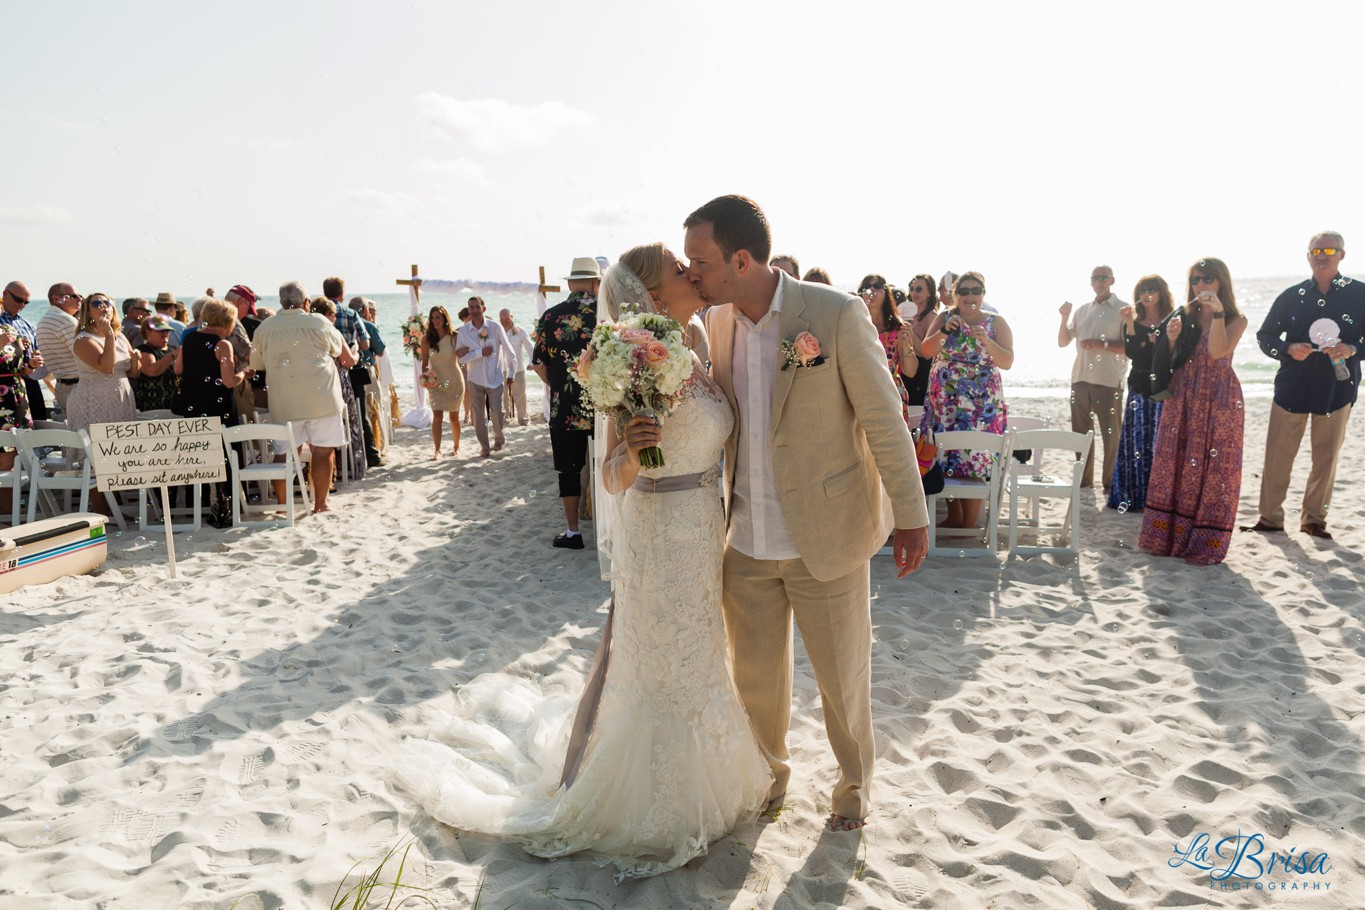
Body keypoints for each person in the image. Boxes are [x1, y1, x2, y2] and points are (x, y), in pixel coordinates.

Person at [397, 242, 773, 880]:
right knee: (657, 662)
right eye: (680, 271)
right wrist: (632, 448)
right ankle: (647, 799)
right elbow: (614, 476)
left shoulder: (699, 343)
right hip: (657, 535)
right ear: (652, 295)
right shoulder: (626, 357)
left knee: (699, 650)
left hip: (702, 530)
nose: (692, 273)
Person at [688, 195, 929, 832]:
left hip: (827, 535)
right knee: (756, 685)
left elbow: (883, 418)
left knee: (843, 683)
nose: (694, 274)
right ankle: (769, 779)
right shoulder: (715, 325)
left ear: (740, 260)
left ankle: (853, 789)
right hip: (745, 541)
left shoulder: (835, 313)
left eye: (702, 262)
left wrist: (912, 514)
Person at [1243, 232, 1365, 540]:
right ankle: (1270, 519)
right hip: (1291, 388)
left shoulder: (1360, 294)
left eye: (1329, 249)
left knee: (1325, 460)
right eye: (1316, 250)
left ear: (1342, 254)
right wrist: (1286, 349)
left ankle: (1314, 520)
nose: (1322, 255)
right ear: (1308, 256)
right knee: (1277, 457)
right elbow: (1265, 336)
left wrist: (1351, 349)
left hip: (1337, 390)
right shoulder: (1291, 296)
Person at [1139, 258, 1247, 565]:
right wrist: (1171, 339)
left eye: (1208, 278)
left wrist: (1216, 313)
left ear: (1221, 281)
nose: (1201, 284)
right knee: (1175, 463)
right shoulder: (1182, 315)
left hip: (1219, 398)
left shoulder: (1236, 319)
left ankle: (1204, 540)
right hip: (1183, 394)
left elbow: (1216, 352)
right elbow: (1170, 358)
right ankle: (1168, 537)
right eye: (1195, 279)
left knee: (1215, 473)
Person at [249, 282, 356, 514]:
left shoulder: (265, 328)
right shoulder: (320, 323)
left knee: (284, 454)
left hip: (284, 401)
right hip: (322, 398)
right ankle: (320, 504)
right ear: (306, 303)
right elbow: (341, 353)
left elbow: (256, 365)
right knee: (322, 451)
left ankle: (283, 507)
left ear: (280, 303)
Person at [918, 272, 1014, 529]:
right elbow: (926, 351)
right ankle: (955, 518)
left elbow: (1007, 362)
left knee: (975, 455)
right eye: (964, 291)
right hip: (944, 400)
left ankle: (969, 522)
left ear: (983, 293)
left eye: (976, 290)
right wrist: (943, 332)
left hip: (981, 404)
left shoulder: (997, 323)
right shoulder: (944, 317)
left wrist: (986, 340)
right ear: (955, 294)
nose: (970, 296)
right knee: (947, 454)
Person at [531, 258, 599, 548]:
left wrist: (559, 387)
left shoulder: (550, 316)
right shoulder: (608, 315)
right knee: (608, 465)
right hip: (604, 406)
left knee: (569, 470)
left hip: (565, 406)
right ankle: (613, 531)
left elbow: (538, 364)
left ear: (570, 284)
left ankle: (573, 533)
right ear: (597, 283)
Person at [174, 300, 245, 526]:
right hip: (218, 406)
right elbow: (228, 381)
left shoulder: (189, 339)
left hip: (194, 405)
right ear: (226, 321)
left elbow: (177, 369)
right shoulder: (222, 345)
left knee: (201, 454)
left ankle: (205, 503)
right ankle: (225, 506)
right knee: (225, 454)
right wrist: (244, 374)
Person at [1107, 275, 1173, 512]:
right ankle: (1134, 496)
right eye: (1143, 290)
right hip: (1139, 386)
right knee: (1137, 441)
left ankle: (1157, 498)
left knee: (1159, 442)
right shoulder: (1132, 320)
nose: (1147, 294)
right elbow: (1134, 354)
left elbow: (1175, 355)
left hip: (1164, 387)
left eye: (1152, 289)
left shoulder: (1172, 319)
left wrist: (1162, 343)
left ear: (1161, 293)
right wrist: (1132, 324)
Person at [1058, 266, 1128, 490]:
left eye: (1103, 278)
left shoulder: (1124, 309)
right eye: (1095, 278)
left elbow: (1130, 348)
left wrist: (1102, 344)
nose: (1099, 282)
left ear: (1112, 280)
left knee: (1111, 436)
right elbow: (1062, 341)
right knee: (1080, 435)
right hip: (1080, 380)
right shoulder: (1082, 310)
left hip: (1109, 382)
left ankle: (1110, 483)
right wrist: (1064, 317)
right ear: (1091, 282)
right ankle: (1084, 481)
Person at [310, 298, 366, 482]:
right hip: (338, 385)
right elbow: (348, 361)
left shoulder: (308, 335)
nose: (335, 317)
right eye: (333, 314)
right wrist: (356, 352)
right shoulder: (333, 333)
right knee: (351, 425)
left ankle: (329, 474)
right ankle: (354, 468)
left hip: (316, 387)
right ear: (327, 314)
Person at [455, 297, 516, 459]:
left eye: (477, 307)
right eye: (471, 307)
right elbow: (460, 358)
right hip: (474, 378)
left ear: (484, 308)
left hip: (495, 377)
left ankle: (498, 437)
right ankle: (484, 447)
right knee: (479, 416)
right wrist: (478, 353)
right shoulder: (464, 332)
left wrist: (511, 372)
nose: (474, 310)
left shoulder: (495, 327)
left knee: (497, 412)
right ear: (468, 310)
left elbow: (509, 351)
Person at [857, 274, 911, 419]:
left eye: (877, 286)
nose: (871, 290)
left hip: (891, 393)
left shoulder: (897, 328)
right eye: (866, 287)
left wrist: (907, 346)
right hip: (860, 392)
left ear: (886, 292)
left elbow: (910, 372)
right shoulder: (854, 326)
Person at [419, 306, 464, 459]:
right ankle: (437, 450)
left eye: (438, 317)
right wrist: (426, 375)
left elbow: (465, 353)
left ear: (445, 318)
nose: (435, 320)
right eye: (432, 318)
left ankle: (456, 447)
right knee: (437, 416)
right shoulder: (426, 340)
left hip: (454, 381)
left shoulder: (455, 336)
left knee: (454, 417)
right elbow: (425, 363)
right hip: (436, 383)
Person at [0, 320, 35, 515]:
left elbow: (20, 368)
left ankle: (10, 510)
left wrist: (30, 364)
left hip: (17, 395)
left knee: (13, 454)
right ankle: (7, 512)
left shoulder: (8, 330)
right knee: (3, 457)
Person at [34, 282, 83, 415]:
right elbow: (84, 356)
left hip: (63, 385)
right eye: (73, 296)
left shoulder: (44, 320)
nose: (80, 299)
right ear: (56, 299)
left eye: (80, 295)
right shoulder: (65, 320)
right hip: (78, 387)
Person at [1, 281, 47, 420]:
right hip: (4, 381)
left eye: (26, 302)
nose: (22, 305)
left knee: (38, 426)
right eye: (18, 300)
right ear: (5, 294)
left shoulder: (28, 325)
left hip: (25, 380)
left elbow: (34, 353)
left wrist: (35, 358)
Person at [899, 274, 938, 407]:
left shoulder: (932, 317)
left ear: (929, 293)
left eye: (919, 289)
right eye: (912, 289)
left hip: (921, 371)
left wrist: (909, 332)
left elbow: (926, 352)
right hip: (905, 365)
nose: (914, 292)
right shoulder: (907, 314)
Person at [131, 315, 178, 412]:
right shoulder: (144, 350)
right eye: (161, 330)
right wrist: (173, 355)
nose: (165, 334)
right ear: (148, 332)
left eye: (167, 331)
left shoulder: (172, 349)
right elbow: (151, 371)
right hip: (152, 407)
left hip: (173, 405)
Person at [499, 308, 533, 426]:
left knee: (520, 395)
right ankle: (504, 419)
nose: (504, 322)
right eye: (502, 319)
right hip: (501, 369)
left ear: (512, 317)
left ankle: (523, 419)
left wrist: (531, 362)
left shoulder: (520, 331)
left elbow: (530, 348)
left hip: (517, 369)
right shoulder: (498, 331)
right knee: (502, 396)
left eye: (507, 319)